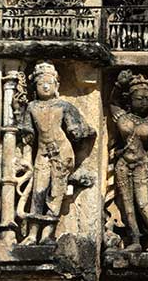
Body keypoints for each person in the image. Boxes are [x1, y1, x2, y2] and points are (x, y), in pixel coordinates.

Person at [19, 61, 94, 244]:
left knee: (56, 193)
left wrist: (78, 133)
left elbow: (78, 129)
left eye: (49, 82)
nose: (45, 86)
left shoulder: (63, 106)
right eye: (41, 83)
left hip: (62, 152)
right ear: (34, 87)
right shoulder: (32, 107)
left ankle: (47, 234)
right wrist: (25, 158)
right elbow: (28, 136)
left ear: (56, 86)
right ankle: (32, 234)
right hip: (42, 152)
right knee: (38, 191)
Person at [109, 70, 148, 253]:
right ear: (130, 100)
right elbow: (112, 102)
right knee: (127, 204)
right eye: (139, 98)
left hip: (141, 164)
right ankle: (135, 240)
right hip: (123, 163)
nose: (144, 102)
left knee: (142, 203)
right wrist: (118, 84)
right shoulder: (122, 117)